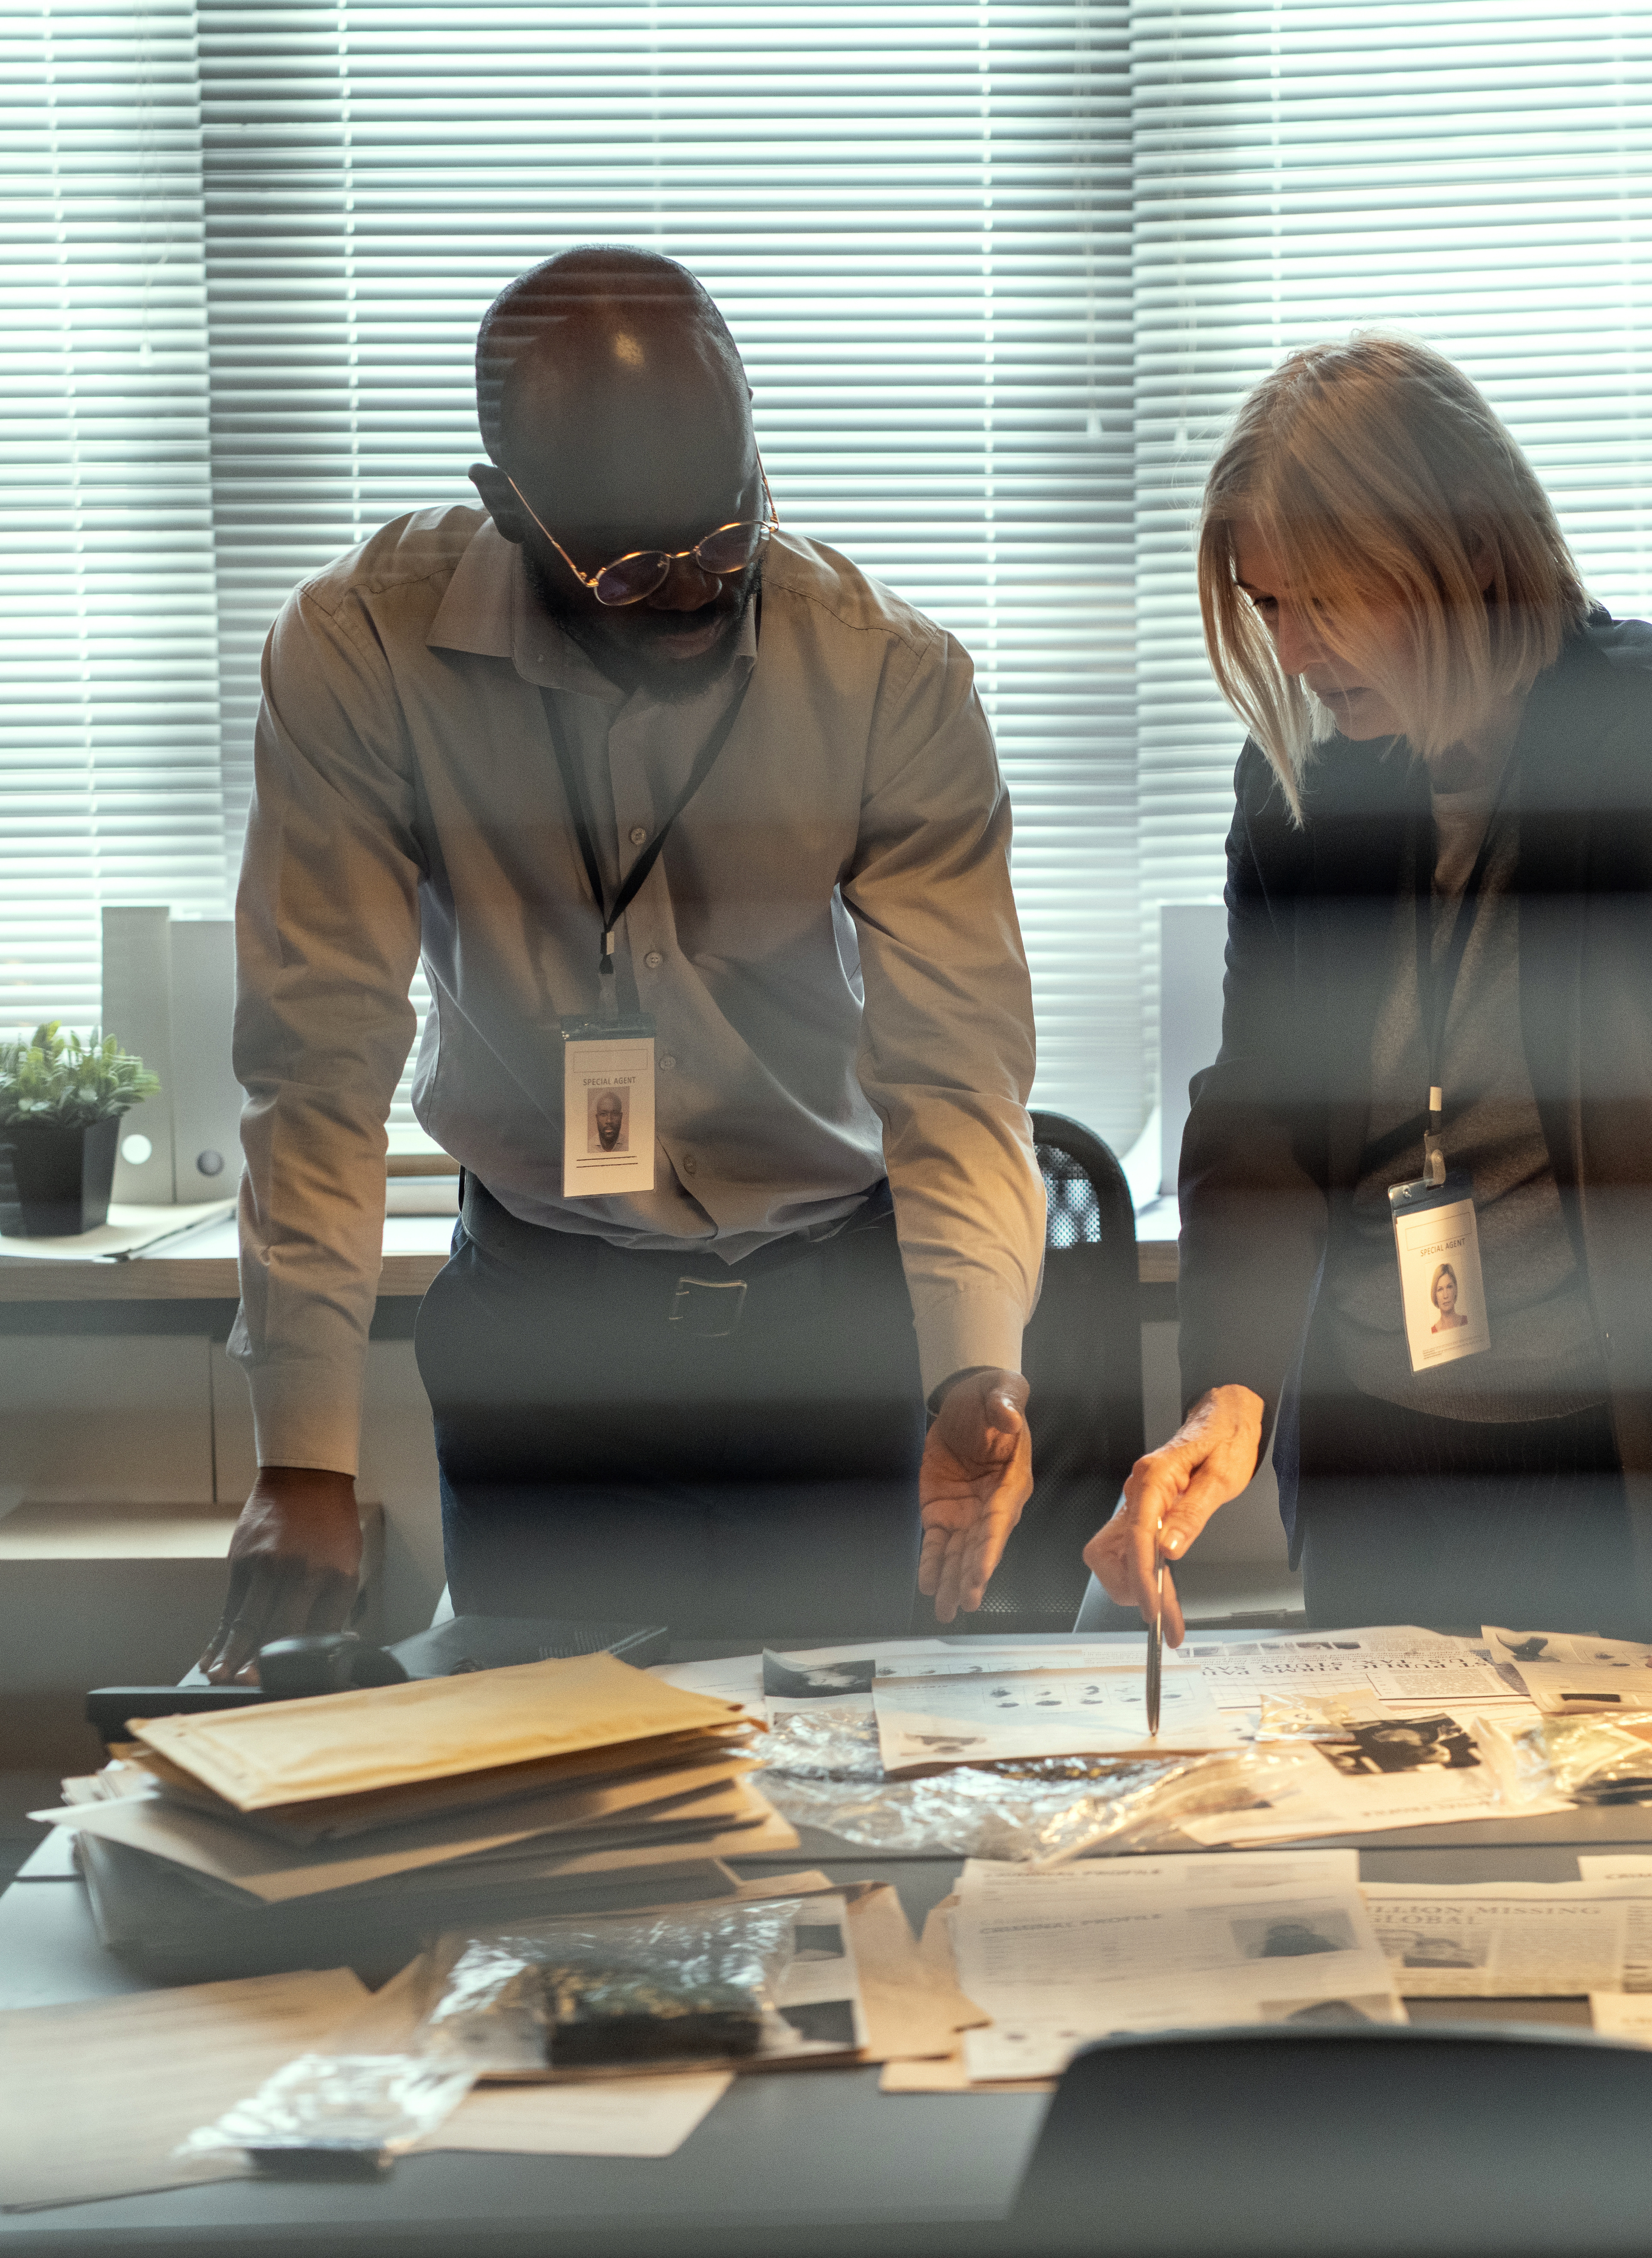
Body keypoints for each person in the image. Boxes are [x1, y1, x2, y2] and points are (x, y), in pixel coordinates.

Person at [198, 246, 1046, 1674]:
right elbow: (320, 1060)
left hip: (828, 1328)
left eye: (726, 547)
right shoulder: (361, 654)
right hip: (548, 1339)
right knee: (543, 1807)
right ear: (505, 512)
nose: (691, 602)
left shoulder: (890, 678)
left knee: (839, 1791)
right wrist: (304, 1458)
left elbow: (956, 1067)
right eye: (634, 569)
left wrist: (971, 1362)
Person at [1085, 333, 1652, 1663]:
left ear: (1459, 563)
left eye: (1327, 603)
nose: (1295, 652)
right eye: (1268, 607)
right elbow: (1261, 1124)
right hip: (1373, 1468)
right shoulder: (1302, 784)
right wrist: (1224, 1397)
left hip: (1634, 1472)